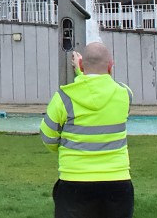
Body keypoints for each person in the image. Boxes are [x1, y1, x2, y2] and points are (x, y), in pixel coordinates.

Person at [40, 42, 134, 218]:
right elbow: (105, 86)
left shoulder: (63, 98)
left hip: (74, 181)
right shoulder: (125, 94)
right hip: (117, 181)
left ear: (82, 65)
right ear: (111, 66)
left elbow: (48, 138)